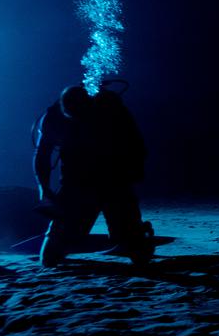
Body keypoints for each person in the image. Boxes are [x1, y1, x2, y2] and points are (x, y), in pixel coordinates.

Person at [33, 83, 154, 267]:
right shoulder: (53, 118)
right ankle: (132, 235)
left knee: (139, 255)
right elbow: (42, 155)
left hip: (114, 181)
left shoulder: (112, 113)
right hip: (76, 184)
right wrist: (44, 189)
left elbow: (137, 145)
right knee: (49, 258)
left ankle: (137, 235)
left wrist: (130, 177)